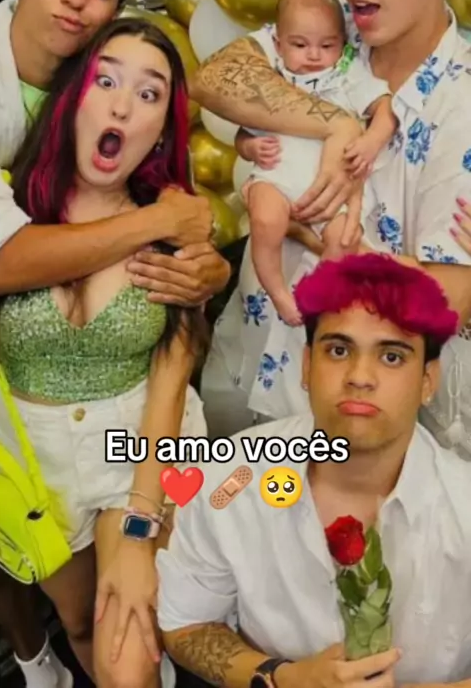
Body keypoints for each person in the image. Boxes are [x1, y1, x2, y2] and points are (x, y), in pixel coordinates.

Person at [0, 0, 229, 688]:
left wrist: (138, 524)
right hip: (32, 463)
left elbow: (174, 367)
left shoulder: (164, 221)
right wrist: (169, 218)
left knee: (127, 640)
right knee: (77, 623)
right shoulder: (25, 174)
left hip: (133, 457)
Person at [195, 0, 471, 451]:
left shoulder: (463, 103)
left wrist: (310, 235)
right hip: (245, 373)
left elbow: (446, 299)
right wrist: (339, 124)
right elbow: (214, 78)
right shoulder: (330, 31)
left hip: (369, 433)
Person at [156, 253, 471, 688]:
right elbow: (187, 625)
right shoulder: (230, 481)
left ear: (428, 381)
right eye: (338, 350)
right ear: (306, 366)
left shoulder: (463, 504)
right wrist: (284, 679)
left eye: (392, 356)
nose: (360, 376)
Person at [235, 0, 396, 325]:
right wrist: (249, 147)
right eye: (299, 45)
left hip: (333, 191)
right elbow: (243, 133)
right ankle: (278, 293)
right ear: (278, 44)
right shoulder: (271, 80)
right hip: (277, 177)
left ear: (343, 43)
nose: (313, 55)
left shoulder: (347, 75)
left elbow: (385, 111)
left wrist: (371, 141)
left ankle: (320, 296)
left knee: (344, 239)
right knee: (264, 221)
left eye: (327, 45)